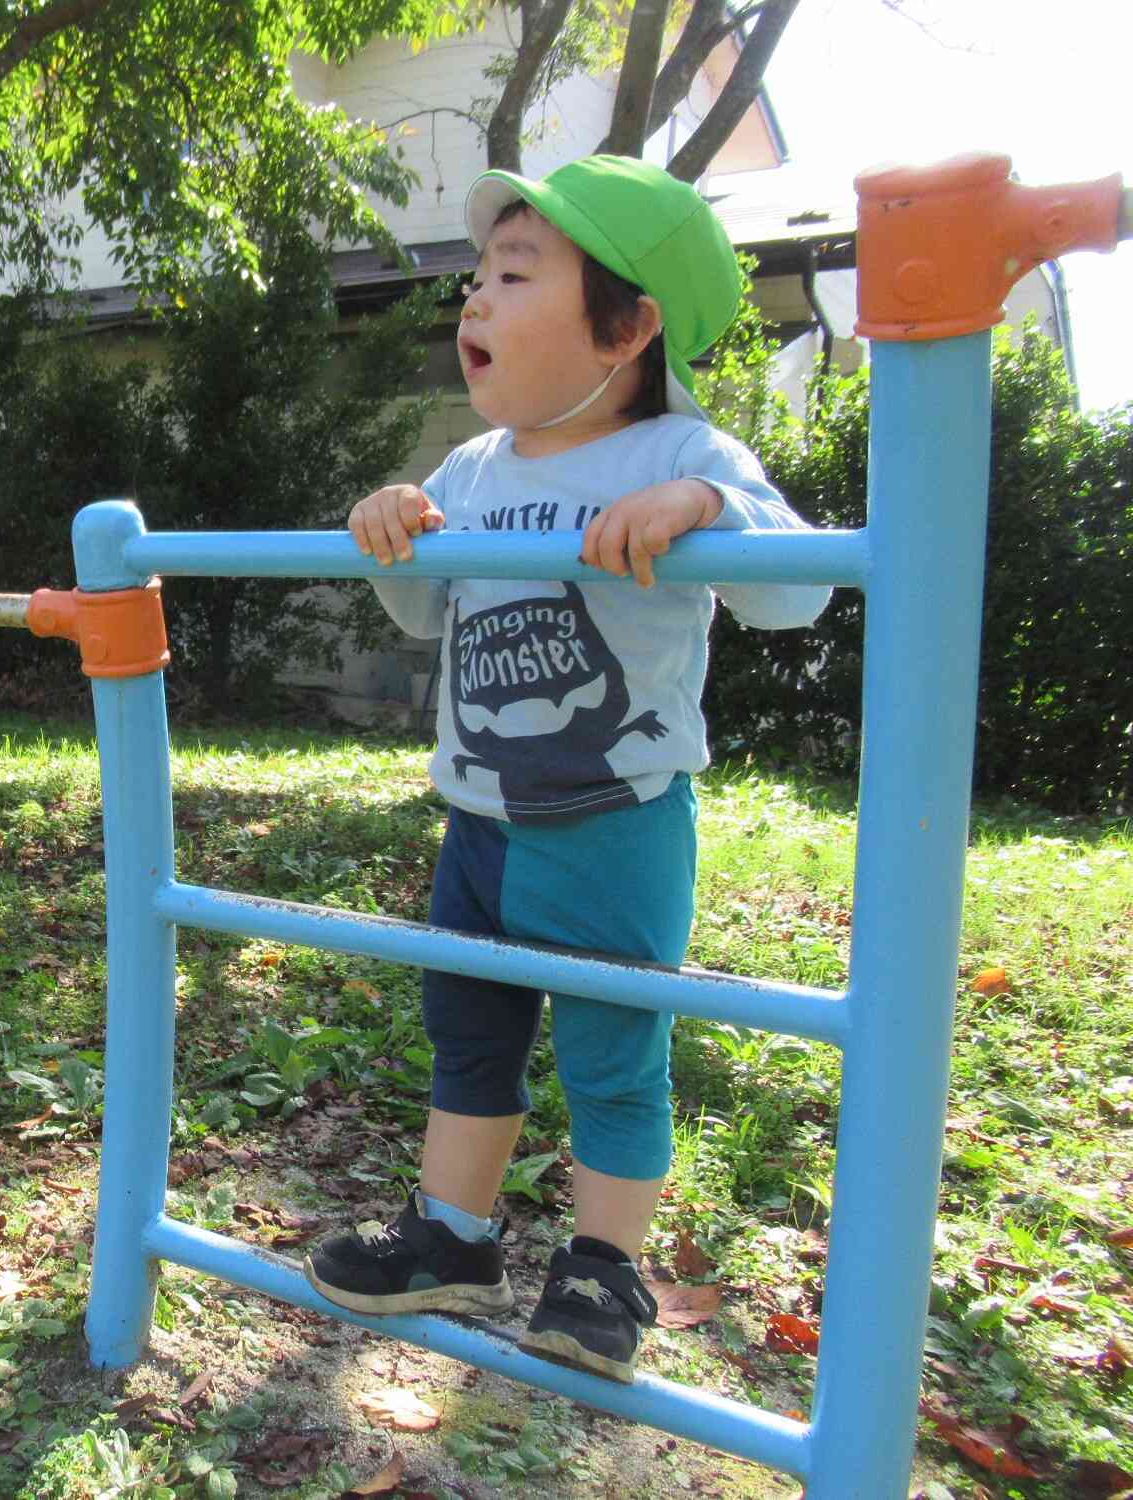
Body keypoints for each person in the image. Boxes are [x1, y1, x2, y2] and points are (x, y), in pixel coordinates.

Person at [301, 155, 830, 1382]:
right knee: (467, 1032)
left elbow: (796, 591)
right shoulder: (470, 474)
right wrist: (391, 530)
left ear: (628, 325)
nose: (471, 304)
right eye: (476, 278)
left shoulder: (683, 449)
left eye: (513, 276)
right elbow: (421, 618)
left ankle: (602, 1264)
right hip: (478, 817)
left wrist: (702, 504)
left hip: (612, 820)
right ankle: (451, 1232)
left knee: (610, 1047)